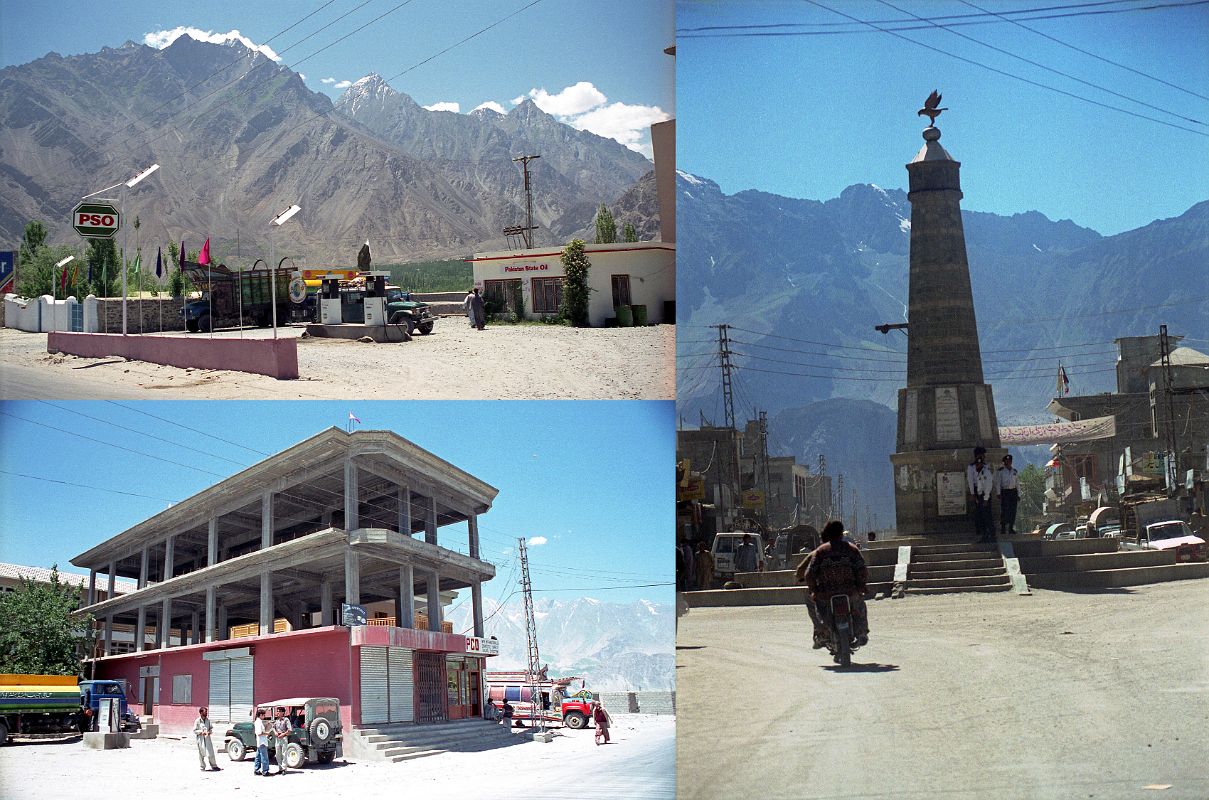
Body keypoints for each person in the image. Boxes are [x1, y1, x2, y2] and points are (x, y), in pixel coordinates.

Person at [795, 520, 869, 648]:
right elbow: (862, 569)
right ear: (841, 534)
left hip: (826, 595)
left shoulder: (820, 552)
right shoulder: (852, 549)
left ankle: (822, 632)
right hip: (850, 592)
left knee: (813, 604)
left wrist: (813, 590)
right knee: (860, 604)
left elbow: (808, 574)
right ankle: (862, 631)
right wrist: (861, 586)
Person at [967, 447, 995, 543]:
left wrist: (986, 498)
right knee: (980, 514)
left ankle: (989, 534)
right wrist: (972, 493)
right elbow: (971, 481)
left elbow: (988, 484)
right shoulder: (972, 467)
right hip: (978, 492)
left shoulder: (986, 469)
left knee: (986, 514)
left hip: (984, 494)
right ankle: (984, 534)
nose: (983, 457)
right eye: (981, 455)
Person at [995, 454, 1020, 536]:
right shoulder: (1001, 471)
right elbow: (998, 483)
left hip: (1013, 492)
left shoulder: (1014, 472)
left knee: (1013, 511)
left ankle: (1011, 528)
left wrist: (1019, 494)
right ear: (1004, 462)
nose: (1008, 462)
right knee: (1005, 510)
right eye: (1006, 461)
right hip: (1005, 492)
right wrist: (998, 493)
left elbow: (1017, 484)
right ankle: (1003, 527)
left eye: (1009, 461)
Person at [193, 707, 221, 772]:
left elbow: (211, 728)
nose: (206, 713)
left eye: (206, 712)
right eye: (205, 712)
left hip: (207, 738)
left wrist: (209, 732)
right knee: (201, 753)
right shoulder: (197, 721)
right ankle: (202, 767)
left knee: (210, 752)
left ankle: (214, 766)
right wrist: (201, 732)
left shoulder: (208, 720)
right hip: (201, 739)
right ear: (201, 713)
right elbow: (194, 730)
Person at [271, 706, 293, 775]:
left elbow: (289, 730)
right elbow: (273, 727)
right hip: (277, 738)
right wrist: (275, 732)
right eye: (277, 711)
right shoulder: (277, 720)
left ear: (283, 712)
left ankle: (284, 769)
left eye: (279, 711)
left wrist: (283, 735)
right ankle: (280, 768)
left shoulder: (286, 720)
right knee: (278, 754)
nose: (278, 712)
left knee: (284, 753)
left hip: (283, 738)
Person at [253, 708, 271, 776]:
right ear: (261, 715)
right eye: (264, 715)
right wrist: (267, 733)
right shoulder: (258, 722)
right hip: (262, 742)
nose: (264, 716)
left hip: (260, 742)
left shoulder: (258, 721)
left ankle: (257, 770)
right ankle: (265, 771)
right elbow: (259, 733)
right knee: (264, 757)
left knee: (258, 757)